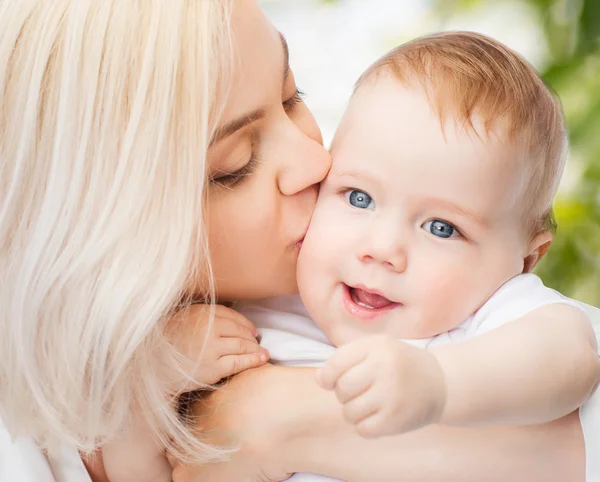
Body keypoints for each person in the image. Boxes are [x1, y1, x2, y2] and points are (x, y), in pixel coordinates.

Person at [0, 1, 596, 482]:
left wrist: (439, 386)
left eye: (293, 97)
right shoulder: (231, 325)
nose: (317, 162)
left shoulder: (483, 316)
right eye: (234, 165)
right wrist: (138, 397)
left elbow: (570, 355)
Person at [219, 31, 599, 482]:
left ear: (524, 261)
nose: (382, 250)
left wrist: (438, 384)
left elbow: (568, 357)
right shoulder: (267, 303)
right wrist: (180, 350)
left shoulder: (492, 319)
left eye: (441, 228)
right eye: (358, 197)